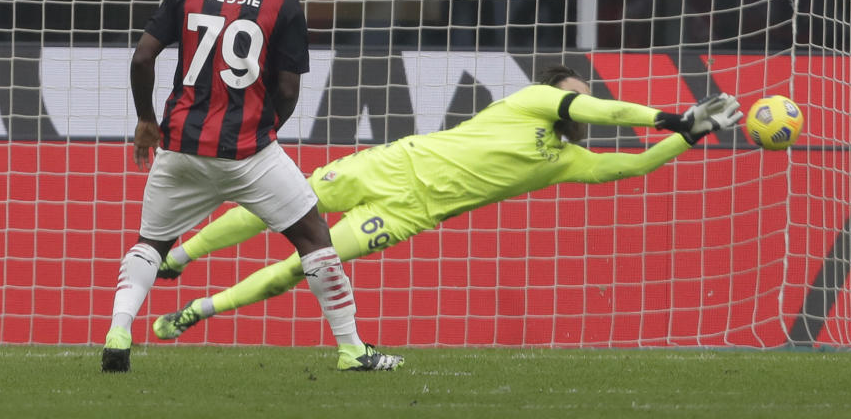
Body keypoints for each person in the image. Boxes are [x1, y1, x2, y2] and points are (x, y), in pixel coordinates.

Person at [149, 65, 742, 341]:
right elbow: (607, 111)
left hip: (410, 214)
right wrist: (671, 114)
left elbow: (633, 164)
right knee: (273, 205)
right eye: (575, 98)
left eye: (581, 101)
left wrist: (688, 135)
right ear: (556, 95)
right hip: (392, 163)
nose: (582, 109)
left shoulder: (566, 161)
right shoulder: (533, 100)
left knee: (300, 268)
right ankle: (181, 255)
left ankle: (198, 313)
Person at [101, 0, 402, 373]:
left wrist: (146, 120)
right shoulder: (284, 3)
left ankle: (119, 332)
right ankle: (352, 350)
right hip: (249, 153)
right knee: (313, 235)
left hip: (180, 148)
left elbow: (142, 58)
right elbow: (287, 88)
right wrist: (262, 132)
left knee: (150, 245)